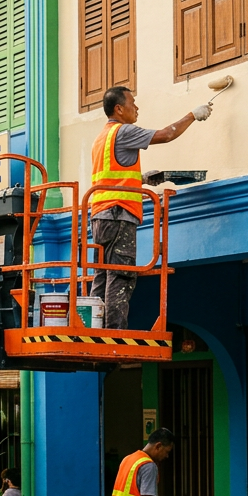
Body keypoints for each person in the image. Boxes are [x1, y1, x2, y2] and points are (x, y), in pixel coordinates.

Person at [90, 86, 211, 328]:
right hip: (119, 213)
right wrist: (193, 115)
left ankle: (93, 327)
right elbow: (166, 135)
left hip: (100, 216)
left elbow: (112, 177)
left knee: (102, 275)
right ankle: (114, 334)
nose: (136, 108)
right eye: (132, 103)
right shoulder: (124, 131)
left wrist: (141, 180)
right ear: (119, 109)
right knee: (121, 276)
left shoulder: (102, 137)